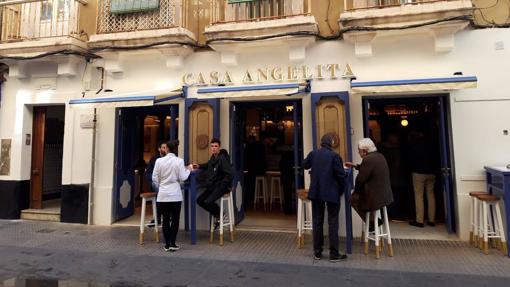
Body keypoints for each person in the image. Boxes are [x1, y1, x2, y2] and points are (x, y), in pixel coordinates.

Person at [302, 134, 347, 262]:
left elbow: (304, 165)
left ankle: (317, 252)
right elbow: (341, 175)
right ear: (332, 143)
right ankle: (334, 253)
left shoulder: (313, 154)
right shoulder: (335, 156)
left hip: (316, 192)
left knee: (317, 221)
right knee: (333, 222)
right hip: (332, 192)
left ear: (321, 143)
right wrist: (341, 190)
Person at [152, 140, 192, 252]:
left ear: (166, 149)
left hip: (163, 195)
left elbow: (154, 178)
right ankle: (173, 243)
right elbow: (183, 177)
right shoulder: (179, 161)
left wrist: (161, 186)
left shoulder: (159, 161)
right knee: (175, 219)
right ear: (175, 149)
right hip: (175, 195)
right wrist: (188, 169)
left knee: (165, 219)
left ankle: (167, 244)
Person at [346, 138, 394, 227]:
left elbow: (360, 180)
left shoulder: (368, 159)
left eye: (359, 150)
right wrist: (354, 166)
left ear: (365, 151)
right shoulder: (379, 156)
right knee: (359, 197)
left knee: (352, 199)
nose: (358, 152)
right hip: (385, 195)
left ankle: (372, 223)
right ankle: (372, 219)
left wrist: (355, 192)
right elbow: (369, 169)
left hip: (376, 198)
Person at [194, 138, 234, 227]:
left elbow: (230, 174)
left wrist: (223, 184)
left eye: (216, 146)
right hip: (213, 185)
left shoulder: (222, 158)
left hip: (221, 186)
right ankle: (218, 215)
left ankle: (221, 214)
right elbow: (208, 164)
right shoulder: (213, 158)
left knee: (208, 202)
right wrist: (199, 166)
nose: (213, 148)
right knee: (199, 200)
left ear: (219, 147)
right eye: (212, 146)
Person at [407, 131, 439, 228]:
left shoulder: (415, 146)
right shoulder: (432, 145)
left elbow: (411, 159)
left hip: (419, 172)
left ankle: (419, 220)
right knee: (431, 195)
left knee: (419, 196)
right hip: (431, 172)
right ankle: (431, 220)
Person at [145, 141, 167, 228]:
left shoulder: (169, 159)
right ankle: (158, 218)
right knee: (159, 192)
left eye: (166, 147)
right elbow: (147, 173)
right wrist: (155, 180)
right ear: (159, 149)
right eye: (163, 147)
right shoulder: (154, 158)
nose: (165, 149)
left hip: (166, 184)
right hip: (156, 184)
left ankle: (162, 217)